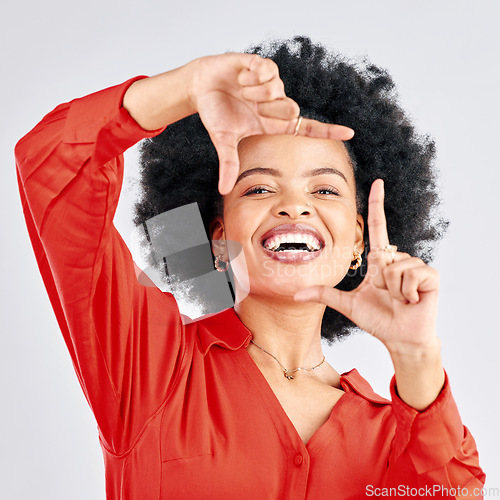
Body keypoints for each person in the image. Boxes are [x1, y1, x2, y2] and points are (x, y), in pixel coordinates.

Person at [16, 36, 485, 499]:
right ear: (219, 237)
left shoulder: (397, 435)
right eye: (259, 189)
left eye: (324, 190)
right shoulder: (151, 365)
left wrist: (416, 358)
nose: (294, 207)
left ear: (358, 239)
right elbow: (52, 161)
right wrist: (185, 87)